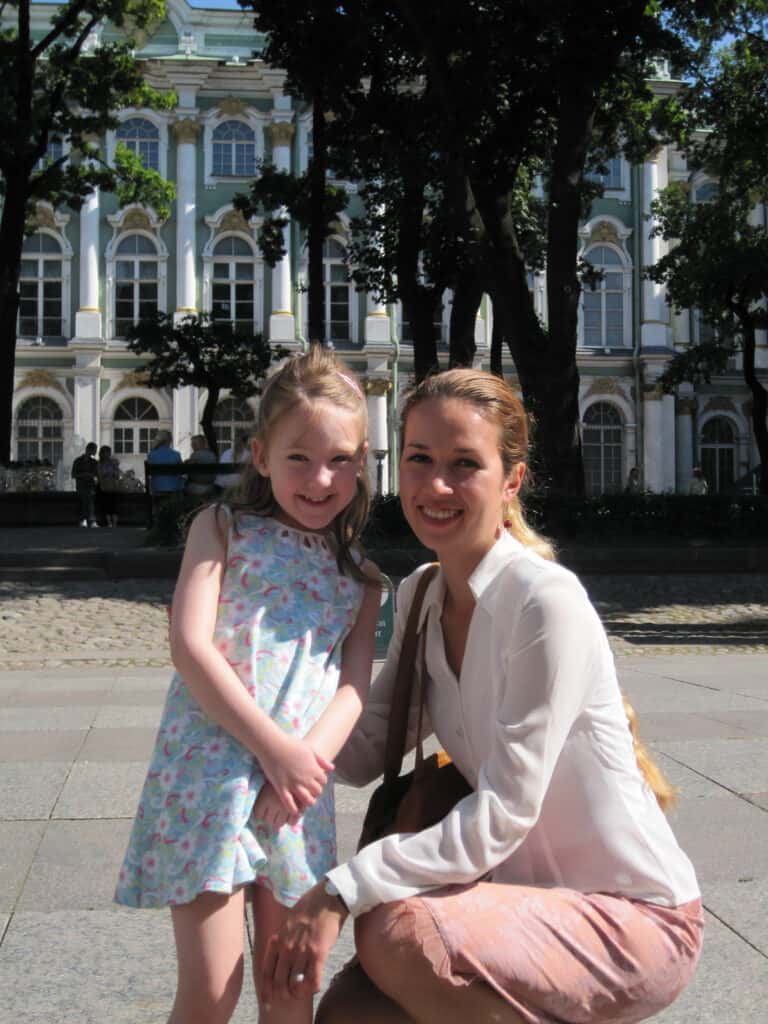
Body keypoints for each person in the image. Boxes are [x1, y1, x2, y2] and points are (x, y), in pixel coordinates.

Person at [262, 368, 703, 1024]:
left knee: (398, 936)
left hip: (632, 917)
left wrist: (339, 890)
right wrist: (264, 697)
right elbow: (358, 752)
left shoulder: (542, 603)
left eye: (464, 464)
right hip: (512, 903)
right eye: (419, 460)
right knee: (349, 1015)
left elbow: (502, 814)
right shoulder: (420, 596)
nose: (436, 486)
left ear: (511, 481)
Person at [115, 346, 381, 1024]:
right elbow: (190, 645)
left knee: (290, 990)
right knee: (212, 990)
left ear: (362, 462)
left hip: (296, 793)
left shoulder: (361, 577)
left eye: (340, 460)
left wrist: (303, 762)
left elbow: (353, 688)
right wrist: (274, 749)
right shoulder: (221, 527)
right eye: (299, 457)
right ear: (261, 455)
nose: (320, 478)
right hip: (211, 778)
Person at [147, 430, 184, 510]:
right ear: (169, 441)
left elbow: (150, 474)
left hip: (157, 488)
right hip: (174, 489)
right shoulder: (176, 455)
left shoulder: (151, 455)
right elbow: (181, 471)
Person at [71, 442, 99, 527]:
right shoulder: (78, 461)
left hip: (90, 485)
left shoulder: (94, 462)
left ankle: (84, 520)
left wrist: (91, 475)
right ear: (89, 450)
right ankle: (90, 520)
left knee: (88, 498)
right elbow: (73, 475)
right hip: (81, 485)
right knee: (87, 499)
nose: (95, 452)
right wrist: (84, 475)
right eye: (95, 450)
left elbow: (97, 474)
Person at [185, 433, 218, 498]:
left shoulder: (195, 454)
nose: (192, 446)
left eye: (193, 444)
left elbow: (188, 470)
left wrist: (187, 462)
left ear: (200, 444)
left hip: (197, 487)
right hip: (211, 486)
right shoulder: (212, 455)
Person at [96, 445, 121, 527]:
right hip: (104, 486)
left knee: (113, 504)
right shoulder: (100, 463)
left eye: (109, 452)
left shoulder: (113, 462)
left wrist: (112, 472)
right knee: (106, 504)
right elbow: (99, 475)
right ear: (102, 453)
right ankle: (109, 522)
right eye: (107, 452)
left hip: (113, 486)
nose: (108, 454)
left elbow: (117, 474)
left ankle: (114, 523)